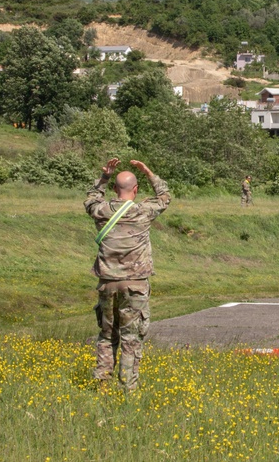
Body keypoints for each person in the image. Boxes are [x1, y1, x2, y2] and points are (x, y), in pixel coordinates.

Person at [84, 157, 171, 392]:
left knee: (106, 334)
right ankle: (128, 389)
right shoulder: (143, 211)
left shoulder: (102, 211)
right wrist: (149, 171)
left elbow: (91, 200)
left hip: (107, 284)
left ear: (114, 189)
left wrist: (104, 176)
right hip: (135, 285)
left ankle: (102, 383)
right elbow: (165, 197)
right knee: (131, 338)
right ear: (136, 189)